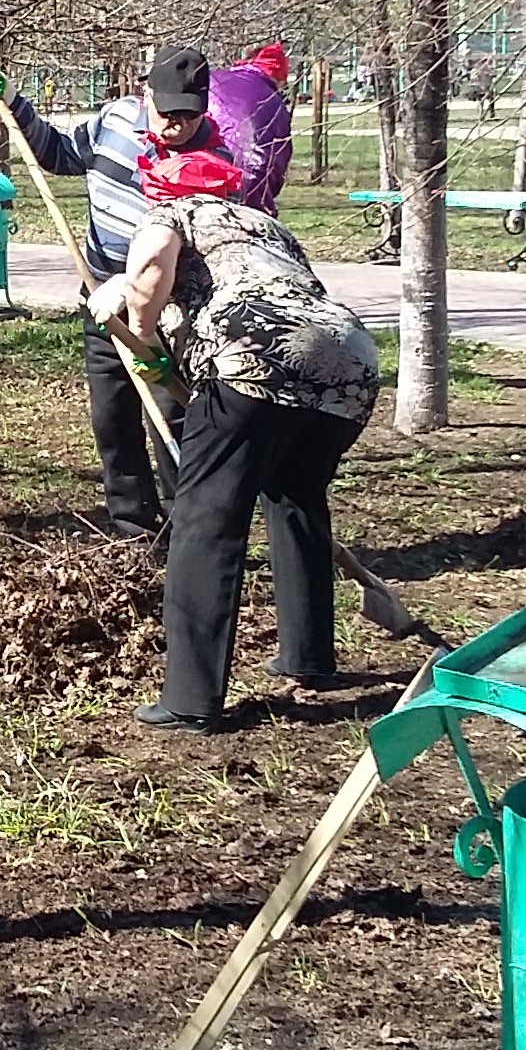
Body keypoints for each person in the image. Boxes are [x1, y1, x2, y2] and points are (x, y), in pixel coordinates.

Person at [100, 148, 376, 725]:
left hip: (252, 354)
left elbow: (151, 266)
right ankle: (310, 655)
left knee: (206, 518)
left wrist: (142, 331)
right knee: (295, 495)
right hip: (350, 360)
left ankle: (189, 700)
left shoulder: (173, 214)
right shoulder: (266, 226)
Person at [0, 47, 234, 539]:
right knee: (111, 419)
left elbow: (206, 252)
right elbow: (57, 153)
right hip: (99, 296)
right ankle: (133, 527)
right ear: (145, 94)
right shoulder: (114, 122)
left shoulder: (213, 162)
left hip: (171, 313)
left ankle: (191, 537)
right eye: (168, 111)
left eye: (189, 114)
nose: (177, 125)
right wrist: (12, 100)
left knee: (173, 418)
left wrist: (135, 288)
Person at [206, 40, 296, 214]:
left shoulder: (213, 80)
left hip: (203, 176)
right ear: (276, 77)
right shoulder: (274, 103)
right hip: (250, 189)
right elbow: (277, 158)